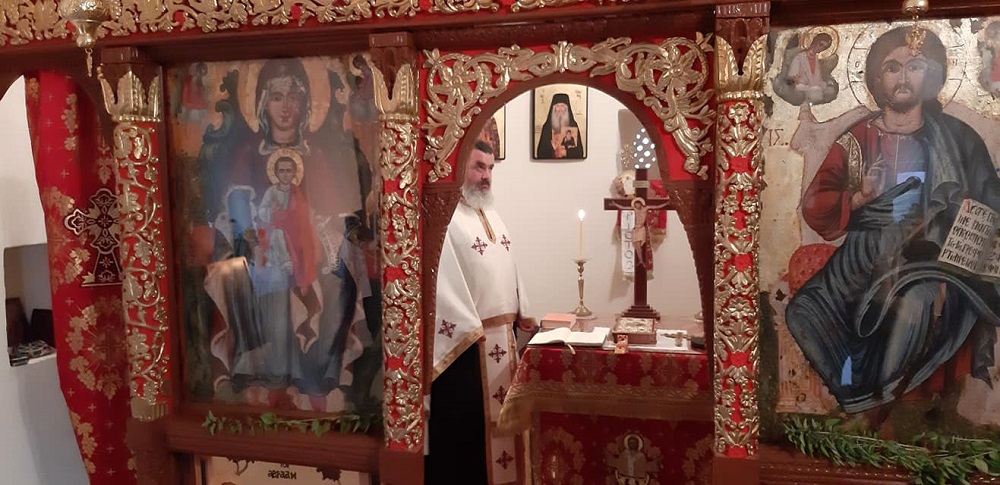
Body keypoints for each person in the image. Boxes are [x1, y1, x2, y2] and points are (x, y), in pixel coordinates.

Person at [785, 27, 1000, 415]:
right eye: (892, 67)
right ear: (876, 78)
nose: (903, 78)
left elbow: (991, 206)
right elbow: (816, 206)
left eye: (914, 66)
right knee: (803, 311)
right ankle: (856, 399)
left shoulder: (959, 140)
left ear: (930, 76)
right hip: (859, 260)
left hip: (924, 260)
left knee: (911, 305)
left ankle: (877, 409)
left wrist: (963, 211)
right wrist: (858, 198)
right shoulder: (856, 138)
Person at [427, 139, 536, 484]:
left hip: (504, 342)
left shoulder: (491, 215)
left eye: (490, 168)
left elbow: (508, 268)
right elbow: (444, 283)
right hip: (467, 350)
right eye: (478, 167)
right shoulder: (447, 218)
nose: (486, 176)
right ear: (460, 167)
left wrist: (523, 312)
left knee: (504, 431)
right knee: (468, 441)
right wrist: (469, 330)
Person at [258, 151, 323, 353]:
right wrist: (272, 211)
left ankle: (299, 274)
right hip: (275, 231)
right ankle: (286, 261)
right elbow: (262, 213)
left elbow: (304, 215)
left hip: (295, 232)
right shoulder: (271, 192)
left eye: (289, 171)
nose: (285, 174)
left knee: (303, 243)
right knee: (278, 234)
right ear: (276, 173)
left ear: (294, 173)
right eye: (282, 171)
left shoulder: (297, 193)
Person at [786, 33, 834, 102]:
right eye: (821, 44)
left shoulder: (816, 59)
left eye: (824, 48)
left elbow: (818, 79)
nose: (821, 48)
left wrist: (824, 84)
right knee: (815, 93)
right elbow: (791, 78)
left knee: (830, 90)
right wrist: (798, 80)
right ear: (815, 41)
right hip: (802, 88)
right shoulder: (800, 57)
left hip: (814, 88)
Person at [536, 92, 584, 159]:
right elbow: (540, 153)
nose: (560, 109)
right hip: (550, 164)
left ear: (566, 109)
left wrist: (566, 152)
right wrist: (553, 151)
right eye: (557, 106)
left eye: (562, 106)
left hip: (570, 164)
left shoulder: (573, 125)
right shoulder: (547, 127)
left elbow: (580, 152)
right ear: (554, 109)